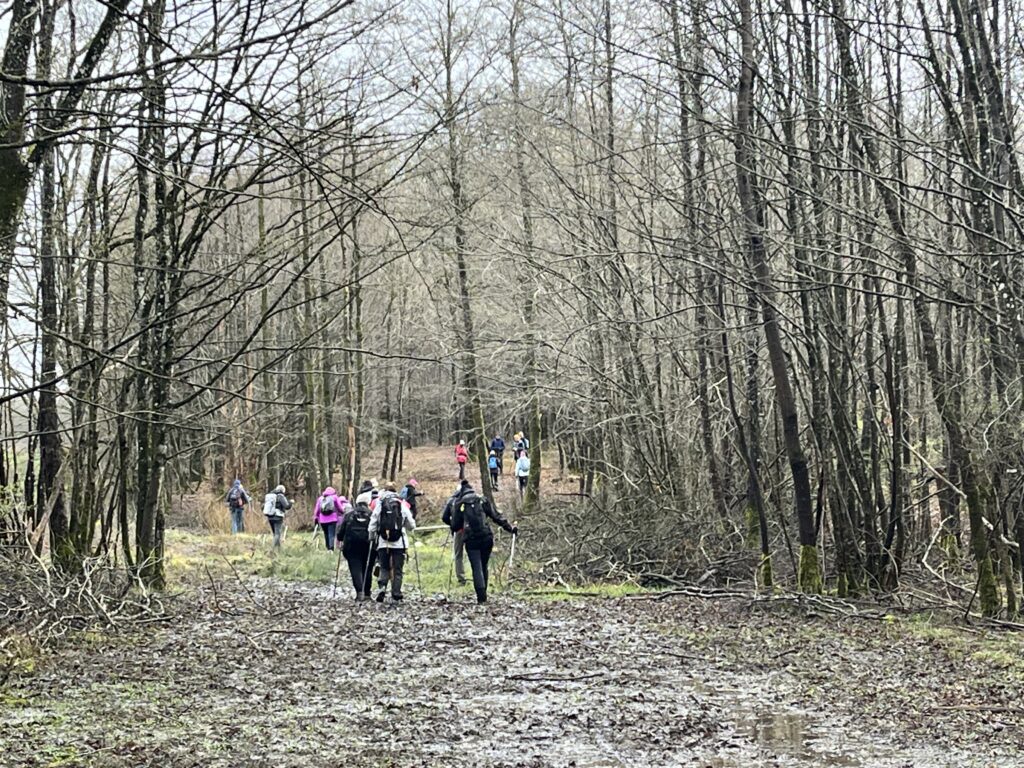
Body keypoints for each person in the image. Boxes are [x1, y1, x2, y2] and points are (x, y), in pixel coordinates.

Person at [450, 480, 517, 604]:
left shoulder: (459, 504)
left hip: (471, 539)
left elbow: (454, 525)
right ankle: (484, 593)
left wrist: (460, 526)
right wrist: (510, 528)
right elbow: (496, 516)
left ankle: (481, 597)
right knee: (484, 565)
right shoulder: (482, 500)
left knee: (476, 567)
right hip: (486, 537)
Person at [368, 481, 416, 602]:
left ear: (384, 491)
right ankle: (396, 592)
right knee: (397, 569)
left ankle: (382, 588)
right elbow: (411, 525)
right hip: (399, 543)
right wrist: (404, 526)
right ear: (396, 491)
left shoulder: (380, 504)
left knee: (384, 567)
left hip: (383, 542)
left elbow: (373, 522)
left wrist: (371, 536)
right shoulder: (401, 504)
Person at [337, 490, 373, 600]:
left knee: (355, 568)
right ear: (368, 502)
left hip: (351, 546)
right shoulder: (371, 514)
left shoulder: (349, 515)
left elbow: (341, 532)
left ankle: (359, 592)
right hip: (368, 545)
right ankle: (367, 593)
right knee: (367, 567)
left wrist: (340, 539)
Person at [442, 484, 468, 585]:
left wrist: (452, 524)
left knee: (458, 555)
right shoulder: (469, 499)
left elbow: (444, 517)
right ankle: (478, 576)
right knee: (473, 553)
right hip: (470, 530)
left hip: (458, 531)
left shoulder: (451, 501)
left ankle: (461, 578)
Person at [313, 486, 344, 550]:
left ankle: (328, 547)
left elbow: (317, 510)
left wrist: (316, 518)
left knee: (326, 534)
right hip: (332, 519)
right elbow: (339, 507)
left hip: (322, 520)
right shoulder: (335, 497)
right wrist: (342, 512)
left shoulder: (320, 499)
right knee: (331, 534)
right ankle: (331, 548)